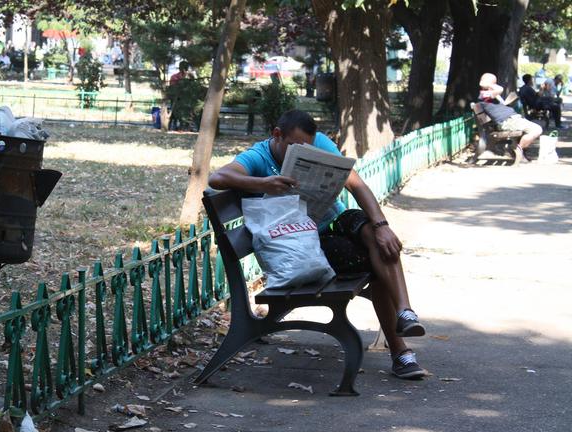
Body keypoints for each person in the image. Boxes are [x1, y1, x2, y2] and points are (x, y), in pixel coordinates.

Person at [208, 109, 428, 380]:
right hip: (308, 244)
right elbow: (217, 178)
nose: (303, 151)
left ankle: (406, 312)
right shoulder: (258, 156)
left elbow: (357, 185)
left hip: (336, 223)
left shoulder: (320, 142)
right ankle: (400, 352)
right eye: (295, 146)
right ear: (277, 135)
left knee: (379, 237)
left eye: (308, 146)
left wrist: (382, 226)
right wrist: (263, 183)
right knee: (378, 260)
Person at [480, 73, 543, 164]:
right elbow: (500, 89)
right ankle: (518, 151)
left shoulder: (489, 95)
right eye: (494, 83)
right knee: (537, 129)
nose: (495, 85)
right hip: (508, 121)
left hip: (511, 119)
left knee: (535, 129)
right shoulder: (484, 94)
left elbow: (499, 105)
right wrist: (489, 84)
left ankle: (519, 151)